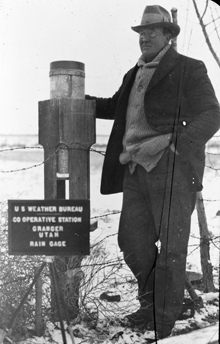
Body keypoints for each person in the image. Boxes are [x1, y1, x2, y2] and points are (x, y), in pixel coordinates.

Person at [86, 4, 220, 340]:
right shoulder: (134, 74)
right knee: (132, 242)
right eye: (141, 32)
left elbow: (211, 113)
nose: (144, 36)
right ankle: (154, 304)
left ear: (168, 36)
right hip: (134, 170)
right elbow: (114, 106)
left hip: (171, 170)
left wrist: (178, 143)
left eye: (152, 31)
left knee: (173, 248)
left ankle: (162, 318)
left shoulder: (188, 68)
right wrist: (78, 101)